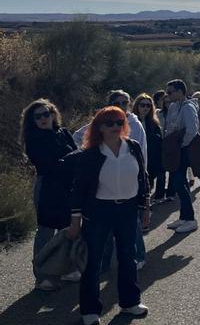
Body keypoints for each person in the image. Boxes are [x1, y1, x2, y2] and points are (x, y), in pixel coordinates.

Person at [65, 107, 150, 324]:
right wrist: (75, 221)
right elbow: (79, 189)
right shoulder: (91, 154)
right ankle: (90, 310)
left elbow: (143, 177)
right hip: (99, 212)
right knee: (93, 262)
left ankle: (130, 302)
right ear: (99, 127)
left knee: (128, 257)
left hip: (128, 210)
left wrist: (145, 206)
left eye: (119, 122)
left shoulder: (133, 147)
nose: (115, 126)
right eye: (109, 123)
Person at [73, 90, 148, 271]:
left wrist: (143, 185)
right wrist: (87, 152)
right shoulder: (103, 120)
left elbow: (141, 154)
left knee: (133, 226)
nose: (121, 106)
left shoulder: (134, 124)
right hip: (105, 189)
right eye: (117, 102)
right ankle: (103, 263)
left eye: (125, 103)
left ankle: (138, 256)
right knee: (105, 230)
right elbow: (78, 136)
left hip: (130, 181)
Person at [20, 99, 79, 291]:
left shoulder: (63, 133)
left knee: (68, 227)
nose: (43, 119)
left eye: (46, 114)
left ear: (53, 114)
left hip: (67, 186)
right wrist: (69, 160)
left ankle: (67, 268)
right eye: (38, 116)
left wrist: (69, 161)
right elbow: (48, 164)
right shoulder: (33, 139)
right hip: (47, 186)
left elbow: (76, 155)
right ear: (32, 120)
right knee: (45, 230)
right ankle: (42, 276)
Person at [162, 79, 199, 233]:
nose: (167, 95)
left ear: (179, 91)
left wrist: (181, 144)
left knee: (179, 183)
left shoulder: (188, 107)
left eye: (170, 92)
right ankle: (184, 217)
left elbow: (192, 130)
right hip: (174, 148)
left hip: (182, 149)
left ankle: (190, 219)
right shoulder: (174, 106)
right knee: (179, 183)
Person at [133, 94, 165, 205]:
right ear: (137, 105)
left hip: (152, 157)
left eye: (148, 105)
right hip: (136, 158)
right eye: (142, 105)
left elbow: (159, 140)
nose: (145, 108)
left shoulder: (154, 123)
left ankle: (150, 201)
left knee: (152, 180)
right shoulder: (132, 122)